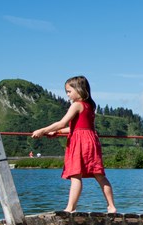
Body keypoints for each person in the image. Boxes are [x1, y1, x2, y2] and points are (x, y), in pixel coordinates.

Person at [32, 75, 117, 214]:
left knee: (75, 175)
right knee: (99, 175)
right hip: (91, 140)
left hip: (79, 142)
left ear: (79, 90)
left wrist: (42, 130)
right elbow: (78, 127)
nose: (67, 94)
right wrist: (57, 132)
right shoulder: (90, 105)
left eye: (69, 91)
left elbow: (62, 123)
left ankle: (71, 208)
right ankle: (111, 206)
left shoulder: (76, 105)